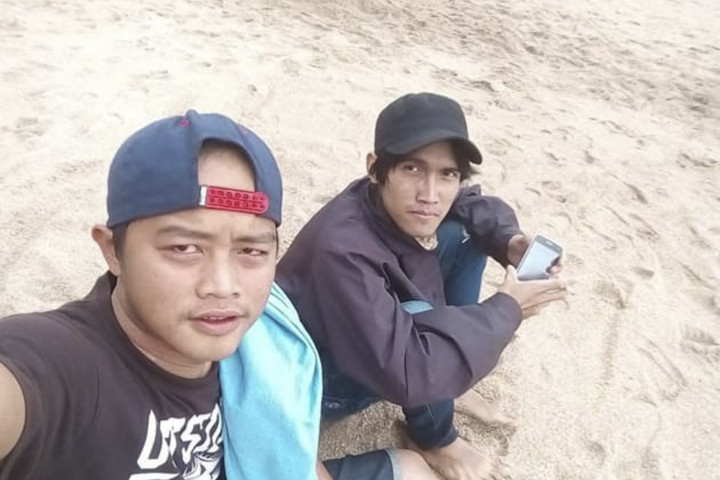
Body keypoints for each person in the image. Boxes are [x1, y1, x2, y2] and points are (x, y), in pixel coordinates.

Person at [0, 110, 437, 480]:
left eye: (251, 250)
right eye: (184, 248)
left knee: (412, 469)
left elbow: (289, 450)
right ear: (113, 250)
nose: (223, 285)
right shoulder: (67, 368)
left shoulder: (260, 347)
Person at [277, 92, 568, 480]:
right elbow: (408, 371)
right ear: (375, 168)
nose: (430, 194)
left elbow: (471, 205)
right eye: (412, 168)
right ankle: (434, 439)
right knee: (417, 320)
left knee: (465, 231)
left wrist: (509, 242)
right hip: (321, 382)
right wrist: (507, 309)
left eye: (447, 173)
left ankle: (452, 382)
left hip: (364, 339)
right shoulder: (342, 250)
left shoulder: (382, 199)